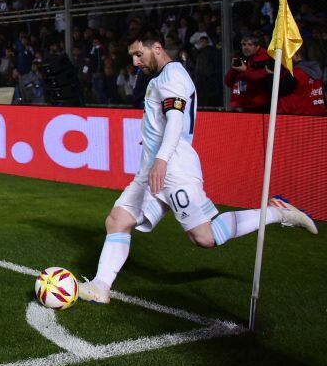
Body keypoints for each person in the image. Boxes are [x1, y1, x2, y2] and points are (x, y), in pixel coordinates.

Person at [79, 28, 318, 305]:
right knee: (118, 221)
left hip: (173, 169)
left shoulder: (172, 77)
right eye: (132, 56)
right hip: (152, 170)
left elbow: (176, 120)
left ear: (157, 47)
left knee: (205, 237)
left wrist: (162, 159)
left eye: (138, 54)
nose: (135, 62)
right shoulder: (164, 77)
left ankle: (277, 212)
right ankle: (100, 286)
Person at [223, 33, 273, 112]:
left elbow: (260, 79)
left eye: (250, 45)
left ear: (257, 46)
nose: (246, 48)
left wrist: (245, 70)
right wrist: (234, 69)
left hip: (258, 106)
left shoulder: (265, 60)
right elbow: (228, 82)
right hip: (241, 104)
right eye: (244, 45)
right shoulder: (242, 58)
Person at [273, 49, 326, 116]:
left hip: (296, 118)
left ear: (297, 55)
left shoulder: (296, 73)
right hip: (319, 117)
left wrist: (271, 75)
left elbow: (275, 91)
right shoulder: (318, 71)